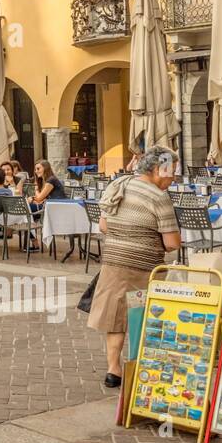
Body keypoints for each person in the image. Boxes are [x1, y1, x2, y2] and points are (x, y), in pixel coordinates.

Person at [89, 146, 183, 389]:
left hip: (114, 261)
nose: (173, 178)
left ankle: (114, 370)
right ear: (156, 169)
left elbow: (104, 226)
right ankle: (140, 366)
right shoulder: (159, 197)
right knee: (145, 317)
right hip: (145, 267)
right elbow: (172, 244)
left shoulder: (118, 185)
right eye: (171, 171)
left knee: (115, 316)